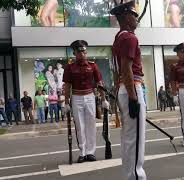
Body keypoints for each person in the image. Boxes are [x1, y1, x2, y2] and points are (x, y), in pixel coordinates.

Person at [110, 2, 147, 179]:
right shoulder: (130, 38)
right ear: (126, 17)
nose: (136, 18)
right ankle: (135, 177)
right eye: (134, 15)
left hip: (124, 88)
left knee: (128, 139)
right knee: (136, 140)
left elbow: (118, 70)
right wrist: (133, 98)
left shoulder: (118, 38)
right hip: (132, 88)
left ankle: (128, 175)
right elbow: (126, 68)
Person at [63, 40, 109, 163]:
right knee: (80, 126)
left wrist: (104, 99)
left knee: (90, 125)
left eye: (84, 51)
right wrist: (66, 102)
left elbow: (100, 83)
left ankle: (90, 152)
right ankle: (82, 152)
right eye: (79, 52)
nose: (82, 54)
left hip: (89, 97)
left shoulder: (93, 65)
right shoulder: (69, 68)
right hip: (76, 97)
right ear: (74, 53)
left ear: (86, 51)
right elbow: (67, 86)